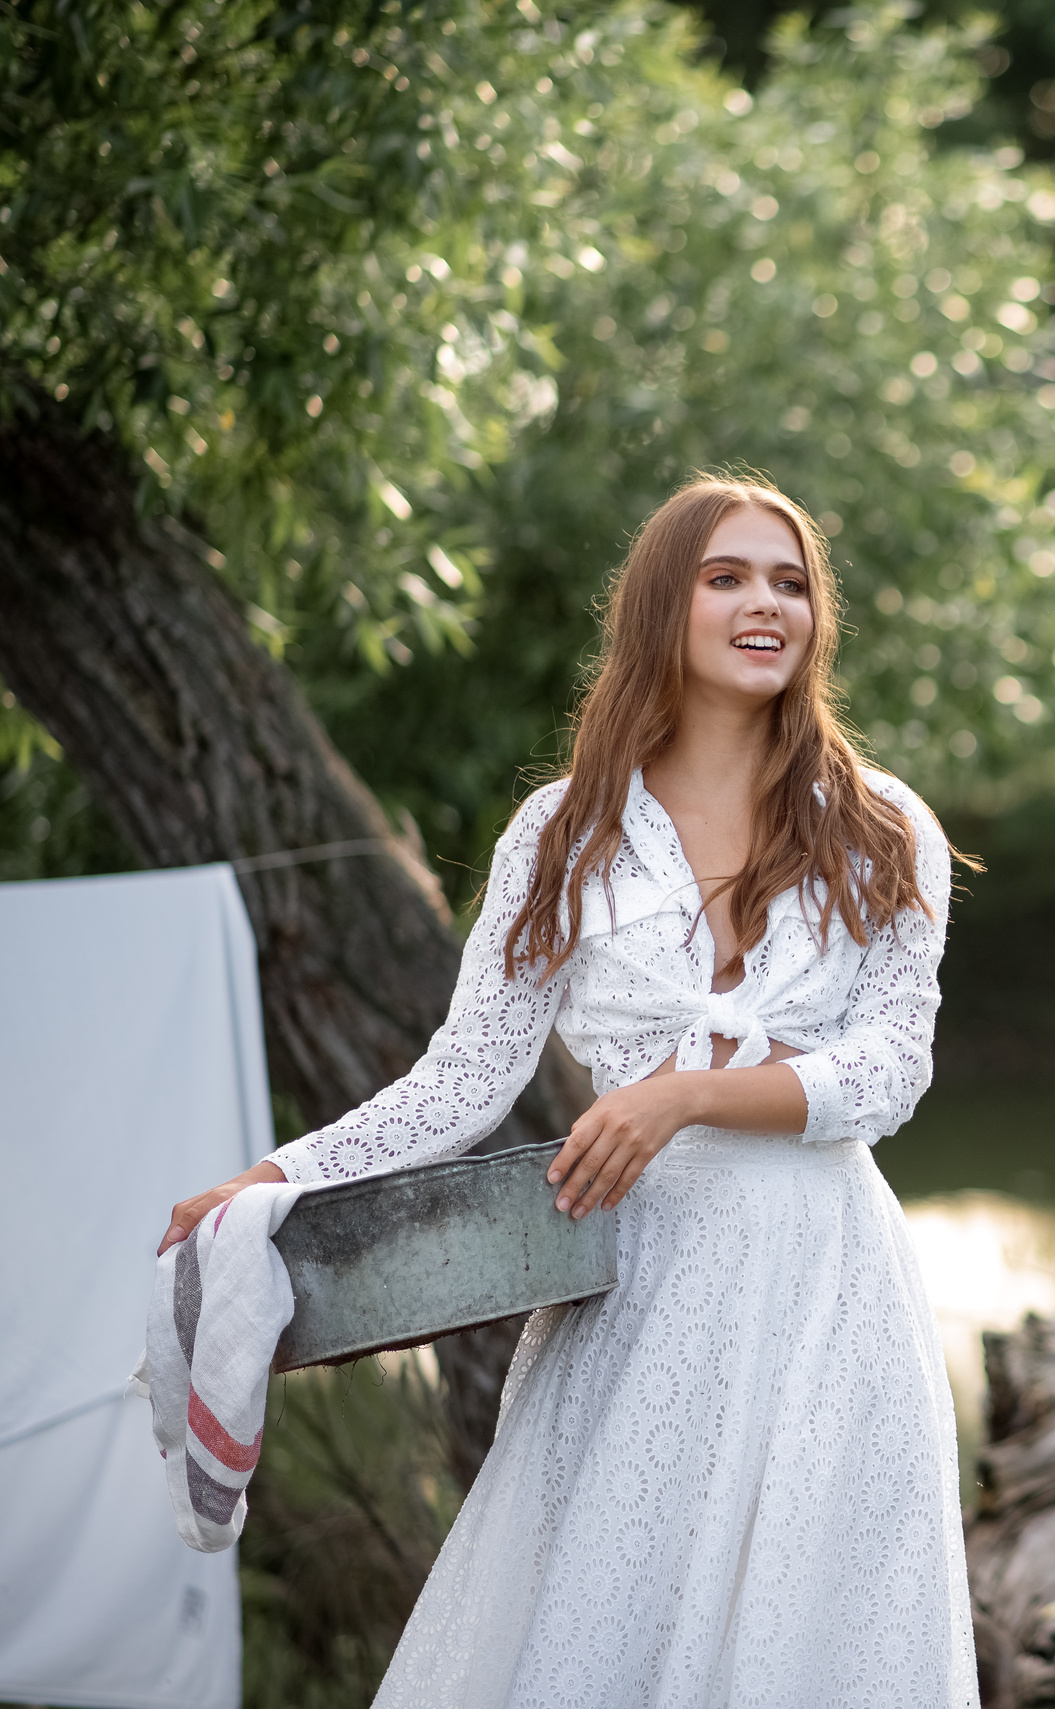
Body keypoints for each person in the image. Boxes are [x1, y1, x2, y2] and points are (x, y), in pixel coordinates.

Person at [155, 476, 979, 1707]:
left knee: (807, 1640)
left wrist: (683, 1098)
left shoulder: (879, 825)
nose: (767, 602)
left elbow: (888, 1069)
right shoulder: (564, 831)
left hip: (824, 1286)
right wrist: (277, 1176)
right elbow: (464, 1079)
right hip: (633, 1282)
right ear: (662, 607)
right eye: (728, 576)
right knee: (600, 1631)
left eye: (791, 579)